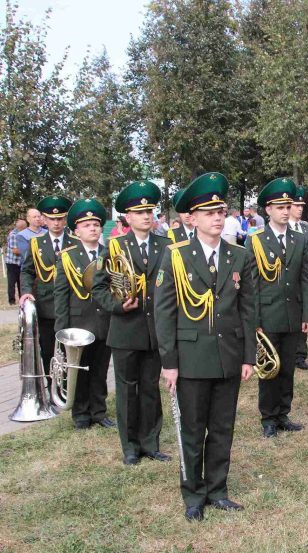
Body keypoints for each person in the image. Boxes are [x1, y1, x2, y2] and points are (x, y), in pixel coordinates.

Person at [155, 172, 256, 522]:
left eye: (221, 212)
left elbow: (248, 309)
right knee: (193, 429)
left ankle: (218, 490)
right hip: (191, 357)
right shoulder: (176, 256)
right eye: (209, 212)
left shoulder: (239, 255)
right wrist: (169, 362)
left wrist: (248, 356)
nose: (217, 218)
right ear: (192, 218)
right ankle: (194, 494)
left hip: (229, 356)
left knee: (223, 427)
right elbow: (165, 314)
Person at [93, 181, 171, 465]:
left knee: (150, 388)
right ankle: (130, 447)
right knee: (127, 390)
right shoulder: (114, 246)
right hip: (126, 330)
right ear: (127, 217)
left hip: (154, 331)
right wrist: (117, 306)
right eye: (139, 212)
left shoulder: (166, 245)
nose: (146, 216)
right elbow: (98, 286)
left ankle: (150, 443)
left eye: (149, 211)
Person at [247, 177, 308, 439]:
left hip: (293, 315)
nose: (286, 211)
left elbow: (305, 279)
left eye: (288, 206)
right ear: (268, 210)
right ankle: (268, 418)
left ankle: (283, 413)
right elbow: (251, 285)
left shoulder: (300, 238)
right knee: (269, 369)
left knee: (287, 368)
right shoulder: (256, 240)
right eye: (280, 207)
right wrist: (255, 320)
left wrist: (307, 314)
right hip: (267, 315)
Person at [54, 199, 114, 430]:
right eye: (87, 225)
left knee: (100, 369)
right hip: (79, 323)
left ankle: (99, 411)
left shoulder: (110, 254)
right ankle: (80, 413)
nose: (93, 229)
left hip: (104, 321)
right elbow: (61, 295)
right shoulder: (67, 257)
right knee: (79, 370)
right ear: (76, 231)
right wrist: (61, 329)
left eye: (96, 225)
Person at [20, 196, 76, 390]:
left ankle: (70, 388)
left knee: (70, 349)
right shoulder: (36, 243)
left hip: (71, 305)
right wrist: (26, 292)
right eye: (52, 219)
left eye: (60, 218)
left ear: (65, 219)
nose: (56, 222)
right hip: (46, 306)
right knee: (48, 349)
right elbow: (27, 271)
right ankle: (53, 387)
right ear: (44, 219)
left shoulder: (75, 242)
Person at [288, 185, 308, 371]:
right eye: (296, 205)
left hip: (304, 279)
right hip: (288, 279)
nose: (300, 209)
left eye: (302, 206)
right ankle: (287, 353)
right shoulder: (283, 227)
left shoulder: (305, 227)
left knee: (305, 314)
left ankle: (300, 356)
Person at [5, 218, 27, 304]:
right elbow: (15, 251)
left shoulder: (22, 234)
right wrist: (28, 251)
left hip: (20, 262)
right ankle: (12, 300)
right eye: (25, 227)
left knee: (21, 282)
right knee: (12, 282)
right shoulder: (14, 235)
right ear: (21, 228)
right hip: (12, 263)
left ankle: (22, 299)